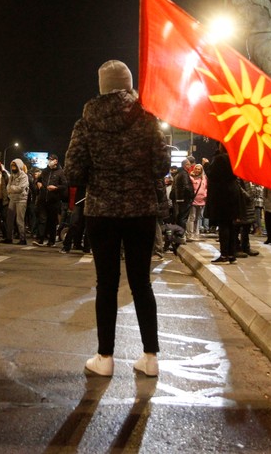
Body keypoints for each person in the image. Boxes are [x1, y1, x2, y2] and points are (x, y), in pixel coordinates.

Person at [65, 60, 170, 378]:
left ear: (102, 86)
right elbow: (161, 166)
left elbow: (73, 172)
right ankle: (150, 357)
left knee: (106, 284)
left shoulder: (86, 122)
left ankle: (105, 358)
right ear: (128, 84)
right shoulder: (147, 118)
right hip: (140, 211)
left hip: (102, 212)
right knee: (142, 283)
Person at [205, 142, 241, 263]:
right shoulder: (234, 158)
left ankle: (224, 254)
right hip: (233, 193)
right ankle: (231, 255)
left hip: (223, 195)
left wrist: (206, 165)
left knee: (224, 225)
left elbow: (212, 174)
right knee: (231, 226)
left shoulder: (220, 158)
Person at [32, 154, 67, 247]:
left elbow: (64, 185)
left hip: (54, 200)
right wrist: (38, 183)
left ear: (56, 161)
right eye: (49, 160)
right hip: (43, 199)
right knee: (42, 220)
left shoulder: (60, 172)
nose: (49, 161)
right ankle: (40, 239)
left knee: (52, 221)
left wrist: (56, 187)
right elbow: (38, 180)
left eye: (51, 160)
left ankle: (51, 241)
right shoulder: (45, 171)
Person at [4, 158, 29, 245]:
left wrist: (11, 188)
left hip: (21, 200)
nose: (13, 168)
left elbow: (21, 188)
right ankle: (9, 238)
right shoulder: (11, 176)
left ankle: (23, 239)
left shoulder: (24, 176)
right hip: (12, 198)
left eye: (15, 166)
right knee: (9, 219)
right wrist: (11, 189)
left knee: (19, 220)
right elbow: (8, 187)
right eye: (12, 166)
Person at [188, 162, 208, 239]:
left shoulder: (204, 178)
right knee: (192, 217)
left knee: (198, 218)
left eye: (199, 169)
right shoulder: (191, 177)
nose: (197, 170)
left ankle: (196, 233)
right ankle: (190, 234)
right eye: (196, 168)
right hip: (193, 200)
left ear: (201, 170)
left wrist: (205, 195)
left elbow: (206, 187)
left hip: (202, 200)